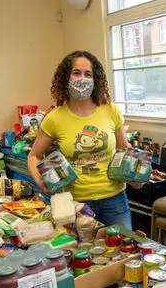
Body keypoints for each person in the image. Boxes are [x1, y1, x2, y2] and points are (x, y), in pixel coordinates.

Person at [27, 50, 138, 230]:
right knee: (86, 253)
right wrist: (40, 180)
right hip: (77, 203)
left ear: (96, 79)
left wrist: (135, 175)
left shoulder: (110, 110)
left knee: (122, 248)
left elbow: (124, 148)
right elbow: (34, 155)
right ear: (66, 78)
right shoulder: (55, 118)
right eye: (76, 73)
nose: (82, 78)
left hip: (115, 200)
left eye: (88, 74)